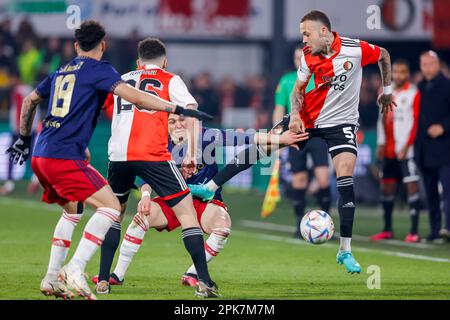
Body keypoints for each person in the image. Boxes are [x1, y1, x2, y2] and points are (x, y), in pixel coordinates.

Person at [6, 20, 212, 301]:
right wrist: (176, 117)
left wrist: (24, 138)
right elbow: (146, 101)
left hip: (64, 153)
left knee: (79, 210)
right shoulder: (112, 73)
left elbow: (33, 101)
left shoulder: (66, 70)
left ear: (75, 45)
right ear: (103, 45)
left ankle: (72, 278)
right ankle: (76, 269)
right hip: (128, 155)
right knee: (131, 209)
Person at [192, 10, 395, 275]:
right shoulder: (309, 57)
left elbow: (384, 55)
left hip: (342, 125)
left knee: (345, 177)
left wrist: (386, 91)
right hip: (308, 119)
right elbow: (298, 90)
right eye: (302, 35)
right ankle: (210, 187)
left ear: (324, 32)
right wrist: (297, 115)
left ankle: (345, 249)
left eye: (306, 34)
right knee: (264, 145)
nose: (304, 40)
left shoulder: (355, 49)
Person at [91, 113, 305, 292]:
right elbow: (145, 178)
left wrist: (278, 140)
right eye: (172, 121)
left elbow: (245, 139)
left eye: (182, 120)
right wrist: (145, 197)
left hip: (204, 202)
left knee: (222, 227)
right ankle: (117, 275)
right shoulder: (158, 142)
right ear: (165, 124)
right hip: (172, 201)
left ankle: (193, 273)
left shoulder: (206, 136)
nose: (178, 125)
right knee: (141, 218)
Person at [94, 37, 220, 298]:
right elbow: (191, 110)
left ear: (138, 62)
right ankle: (204, 282)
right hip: (152, 154)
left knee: (114, 214)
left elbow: (100, 107)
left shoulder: (122, 78)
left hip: (118, 156)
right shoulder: (170, 79)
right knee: (187, 213)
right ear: (165, 61)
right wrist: (192, 154)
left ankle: (104, 280)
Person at [273, 45, 331, 239]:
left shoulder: (319, 77)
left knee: (323, 178)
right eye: (297, 58)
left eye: (302, 58)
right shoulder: (287, 80)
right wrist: (278, 137)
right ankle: (299, 227)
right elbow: (279, 109)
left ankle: (327, 224)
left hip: (317, 133)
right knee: (299, 180)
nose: (299, 61)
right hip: (295, 134)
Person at [371, 59, 422, 243]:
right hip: (388, 149)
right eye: (396, 71)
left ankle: (414, 231)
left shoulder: (413, 93)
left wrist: (407, 146)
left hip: (404, 150)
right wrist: (381, 143)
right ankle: (387, 229)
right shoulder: (385, 91)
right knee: (387, 188)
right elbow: (381, 119)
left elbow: (415, 122)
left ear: (407, 74)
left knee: (411, 187)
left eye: (403, 71)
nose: (399, 75)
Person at [415, 51, 450, 243]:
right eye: (423, 64)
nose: (427, 68)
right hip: (425, 149)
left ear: (437, 64)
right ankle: (435, 230)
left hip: (445, 149)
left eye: (430, 64)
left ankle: (448, 228)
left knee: (448, 191)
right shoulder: (419, 87)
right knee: (430, 194)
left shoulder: (447, 85)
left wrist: (443, 127)